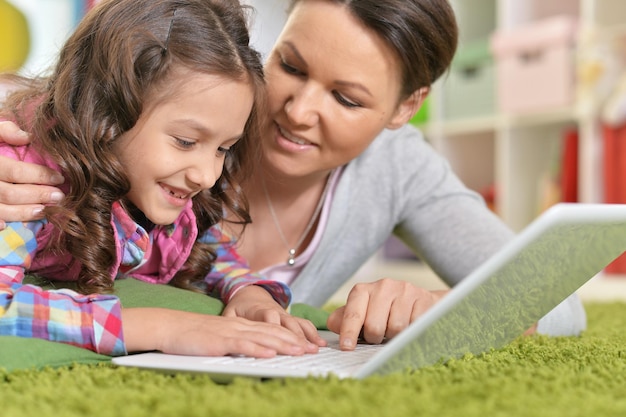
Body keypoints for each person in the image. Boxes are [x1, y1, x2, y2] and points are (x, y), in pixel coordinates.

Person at [0, 0, 586, 351]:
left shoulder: (399, 170)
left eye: (348, 98)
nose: (298, 111)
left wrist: (438, 308)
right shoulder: (199, 95)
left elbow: (559, 300)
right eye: (291, 65)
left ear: (406, 107)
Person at [0, 0, 324, 358]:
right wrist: (160, 327)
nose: (206, 175)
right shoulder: (27, 179)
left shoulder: (164, 191)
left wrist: (250, 293)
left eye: (223, 149)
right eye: (185, 142)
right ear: (107, 111)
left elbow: (214, 252)